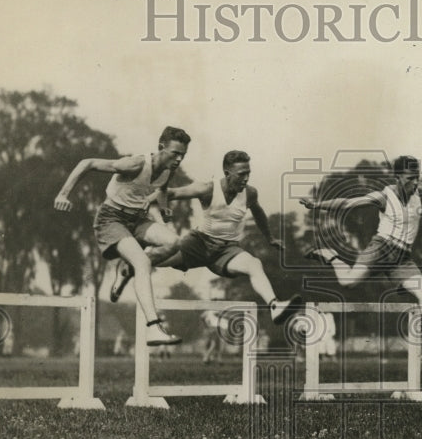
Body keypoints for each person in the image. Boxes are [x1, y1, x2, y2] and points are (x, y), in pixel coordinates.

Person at [301, 155, 422, 350]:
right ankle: (331, 256)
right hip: (381, 248)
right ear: (397, 177)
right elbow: (347, 203)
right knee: (348, 282)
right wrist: (317, 205)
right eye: (409, 178)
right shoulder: (384, 197)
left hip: (402, 258)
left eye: (417, 177)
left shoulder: (419, 191)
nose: (414, 183)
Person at [114, 150, 303, 326]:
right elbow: (171, 193)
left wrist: (270, 238)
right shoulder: (207, 189)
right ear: (227, 173)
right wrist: (143, 203)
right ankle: (127, 269)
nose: (245, 179)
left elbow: (259, 212)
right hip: (199, 244)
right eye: (241, 174)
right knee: (151, 261)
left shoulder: (250, 193)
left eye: (248, 173)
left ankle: (275, 306)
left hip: (227, 250)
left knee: (254, 264)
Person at [54, 125, 189, 346]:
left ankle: (127, 269)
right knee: (143, 263)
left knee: (175, 242)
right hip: (111, 219)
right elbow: (87, 163)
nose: (179, 159)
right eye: (175, 153)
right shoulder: (135, 164)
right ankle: (153, 327)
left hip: (138, 219)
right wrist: (63, 193)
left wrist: (164, 210)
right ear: (161, 147)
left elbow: (162, 188)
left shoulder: (168, 169)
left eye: (183, 155)